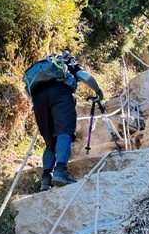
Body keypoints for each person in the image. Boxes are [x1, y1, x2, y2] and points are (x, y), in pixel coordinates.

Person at [30, 51, 103, 191]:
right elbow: (84, 76)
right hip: (60, 94)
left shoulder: (40, 70)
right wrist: (98, 91)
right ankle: (60, 172)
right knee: (64, 131)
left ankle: (46, 178)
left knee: (50, 141)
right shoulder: (68, 62)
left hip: (38, 100)